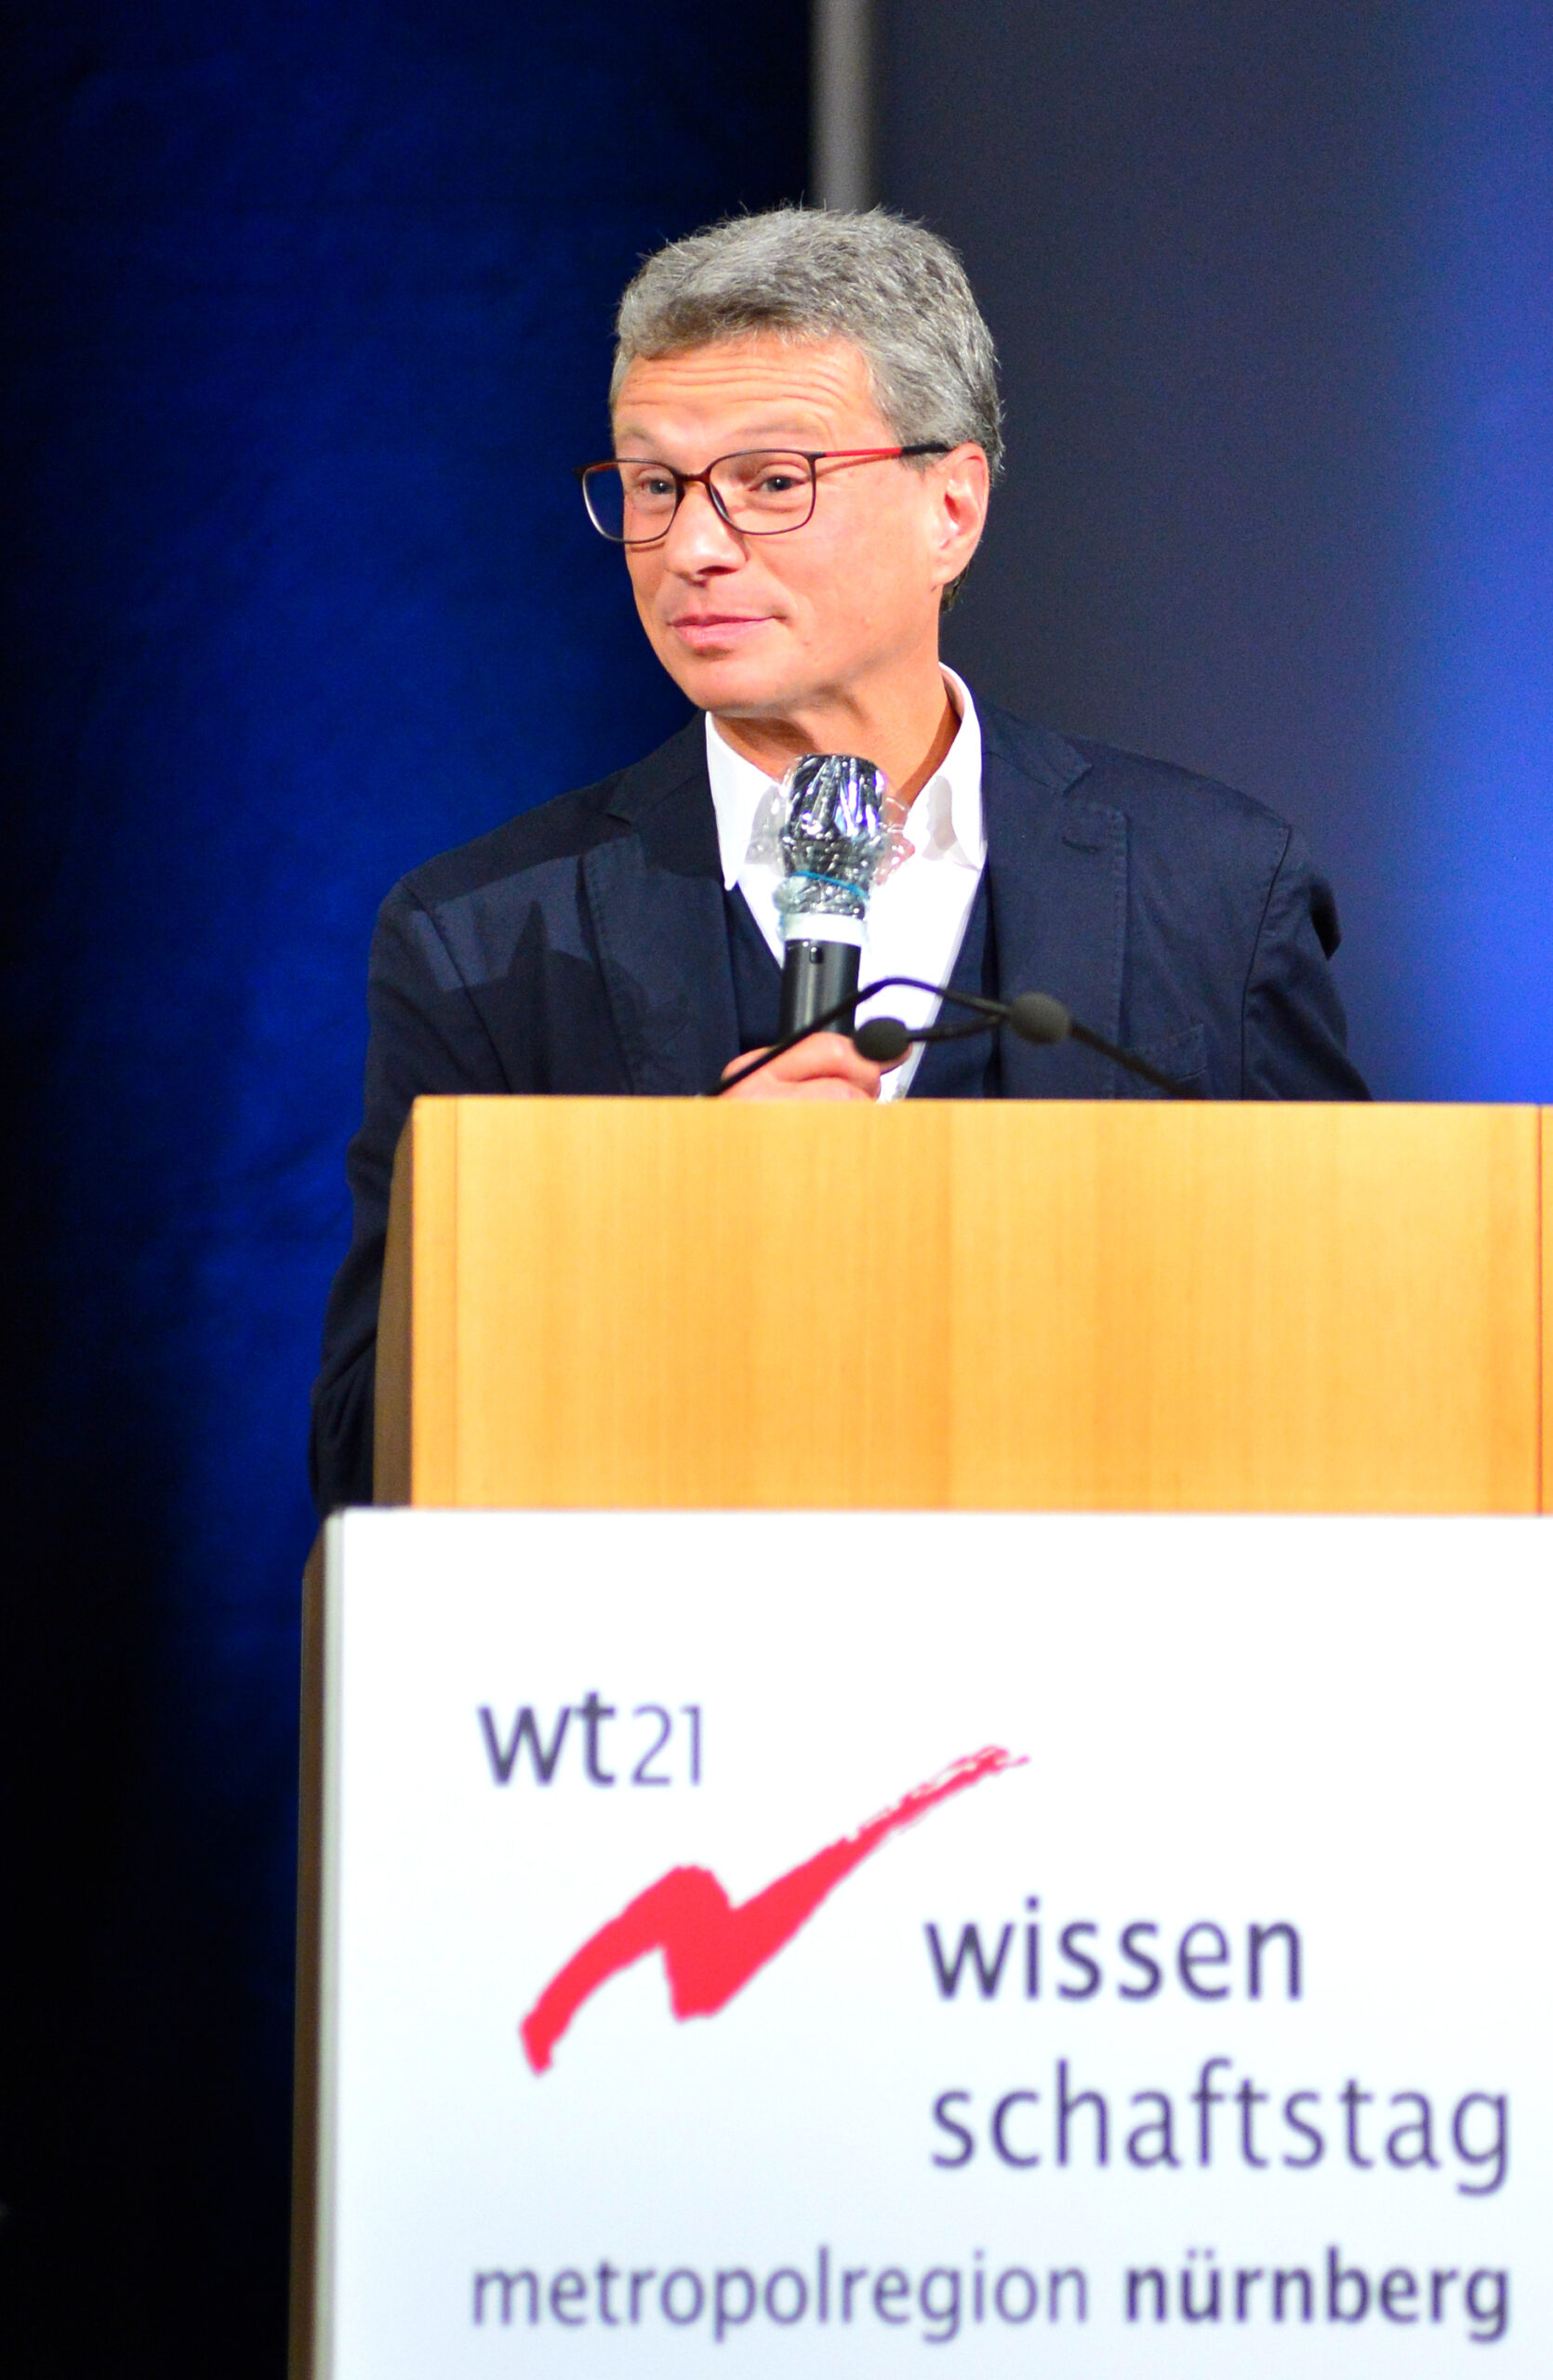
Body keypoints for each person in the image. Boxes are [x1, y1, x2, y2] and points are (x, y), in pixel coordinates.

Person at [310, 205, 1367, 1514]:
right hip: (680, 1687)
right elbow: (371, 1459)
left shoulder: (1212, 887)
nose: (692, 546)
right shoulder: (482, 935)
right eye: (653, 485)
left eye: (769, 481)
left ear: (951, 508)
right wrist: (672, 1232)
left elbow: (1350, 1363)